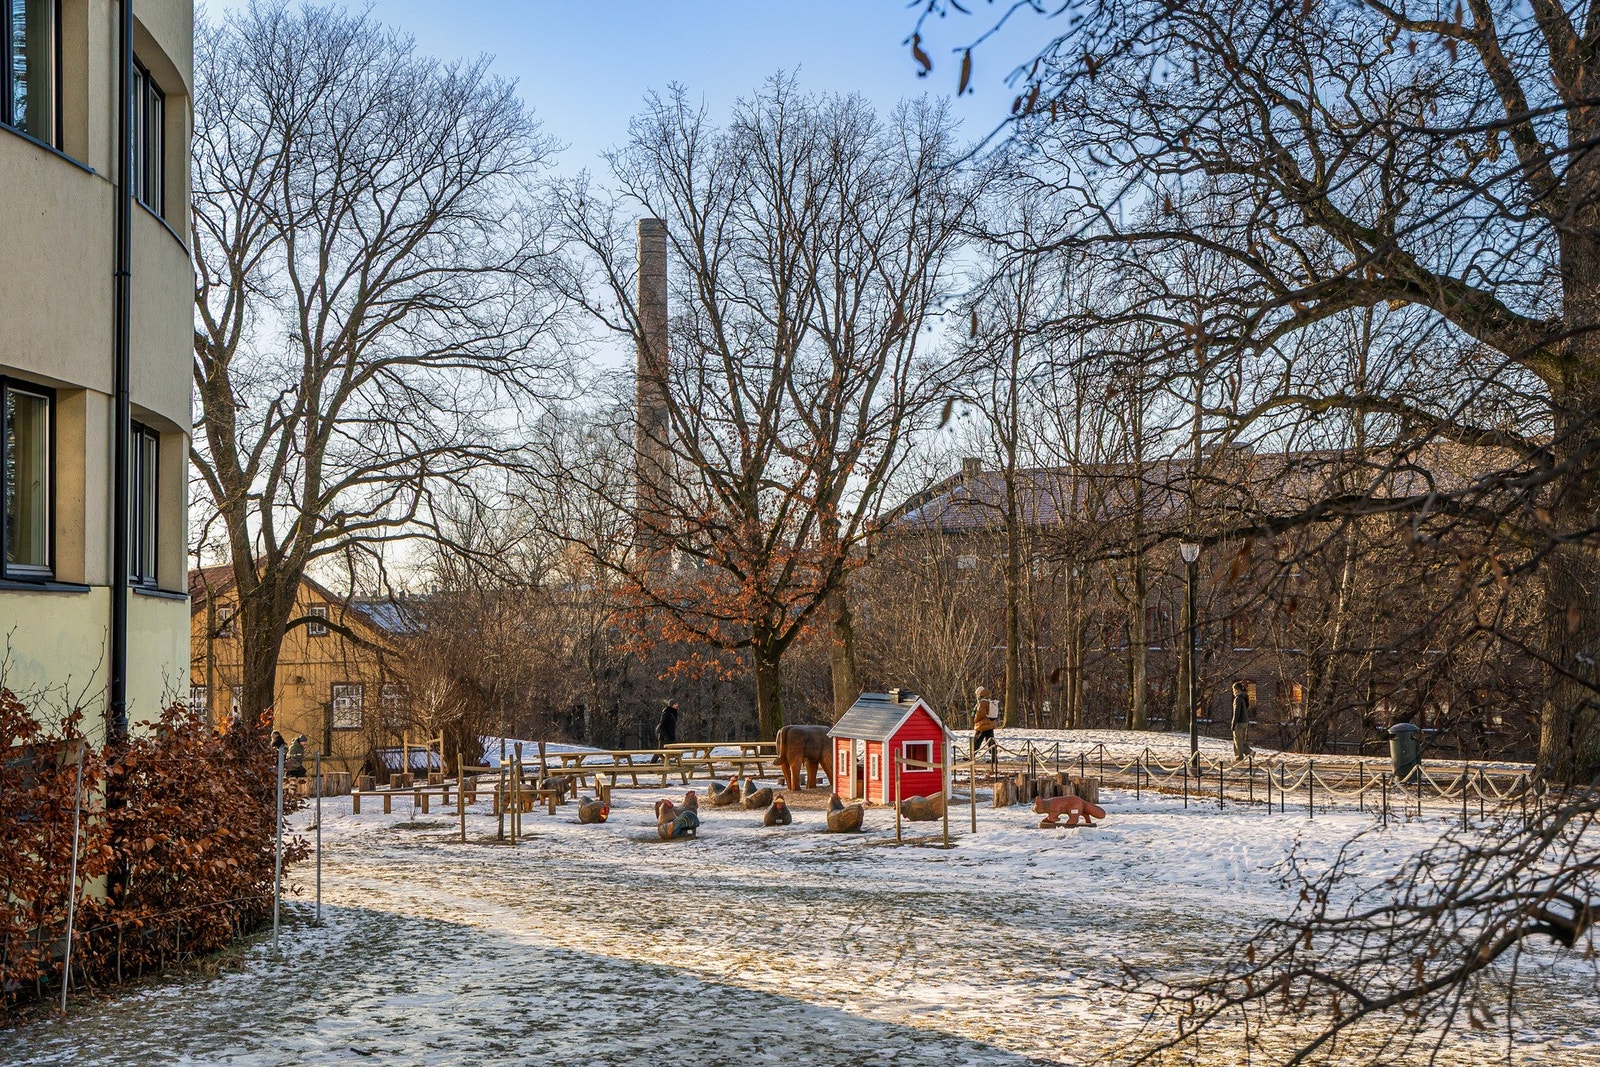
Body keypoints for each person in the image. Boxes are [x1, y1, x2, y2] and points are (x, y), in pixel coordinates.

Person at [971, 686, 1000, 762]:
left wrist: (975, 719)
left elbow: (980, 713)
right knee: (991, 741)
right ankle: (994, 758)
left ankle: (972, 756)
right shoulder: (988, 701)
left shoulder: (982, 702)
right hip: (990, 724)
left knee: (976, 741)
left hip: (982, 725)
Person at [1231, 680, 1252, 759]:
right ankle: (1249, 752)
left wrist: (1233, 723)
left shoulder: (1238, 699)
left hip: (1239, 721)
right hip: (1244, 721)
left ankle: (1239, 756)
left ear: (1236, 689)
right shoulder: (1243, 698)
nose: (1233, 691)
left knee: (1237, 739)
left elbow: (1236, 712)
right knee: (1239, 739)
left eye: (1233, 689)